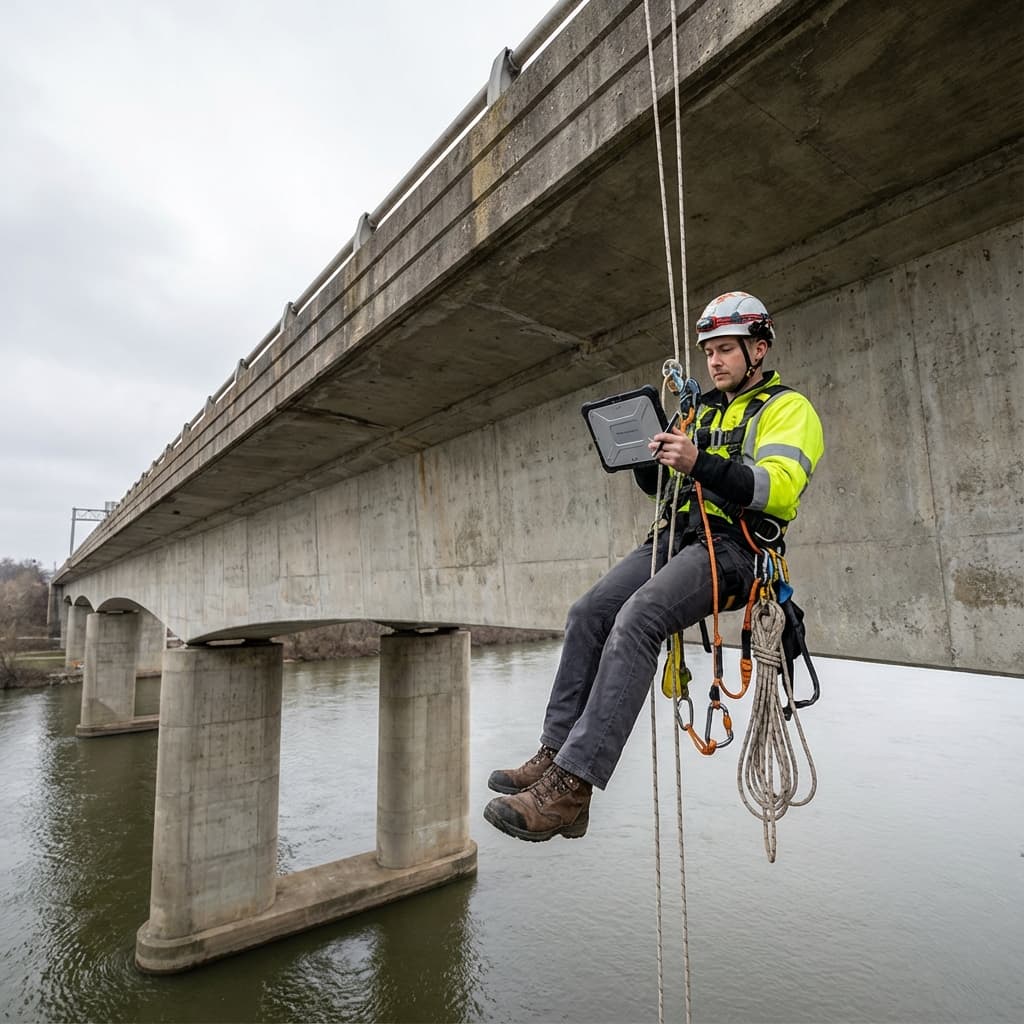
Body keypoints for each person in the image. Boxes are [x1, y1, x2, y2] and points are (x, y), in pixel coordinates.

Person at [483, 291, 825, 843]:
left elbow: (776, 488)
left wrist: (699, 460)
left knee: (638, 618)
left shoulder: (788, 409)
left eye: (726, 350)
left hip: (736, 550)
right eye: (708, 350)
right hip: (677, 537)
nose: (713, 361)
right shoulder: (701, 410)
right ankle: (554, 754)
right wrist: (650, 464)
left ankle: (572, 788)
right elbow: (669, 490)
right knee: (589, 612)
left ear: (758, 350)